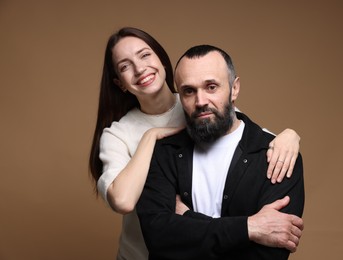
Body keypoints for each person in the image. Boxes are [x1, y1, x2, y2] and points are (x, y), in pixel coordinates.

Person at [89, 27, 301, 260]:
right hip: (141, 254)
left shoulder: (195, 101)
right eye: (125, 66)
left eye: (145, 55)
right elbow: (125, 203)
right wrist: (151, 136)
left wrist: (289, 135)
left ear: (162, 61)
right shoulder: (120, 135)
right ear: (120, 83)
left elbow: (243, 131)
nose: (140, 69)